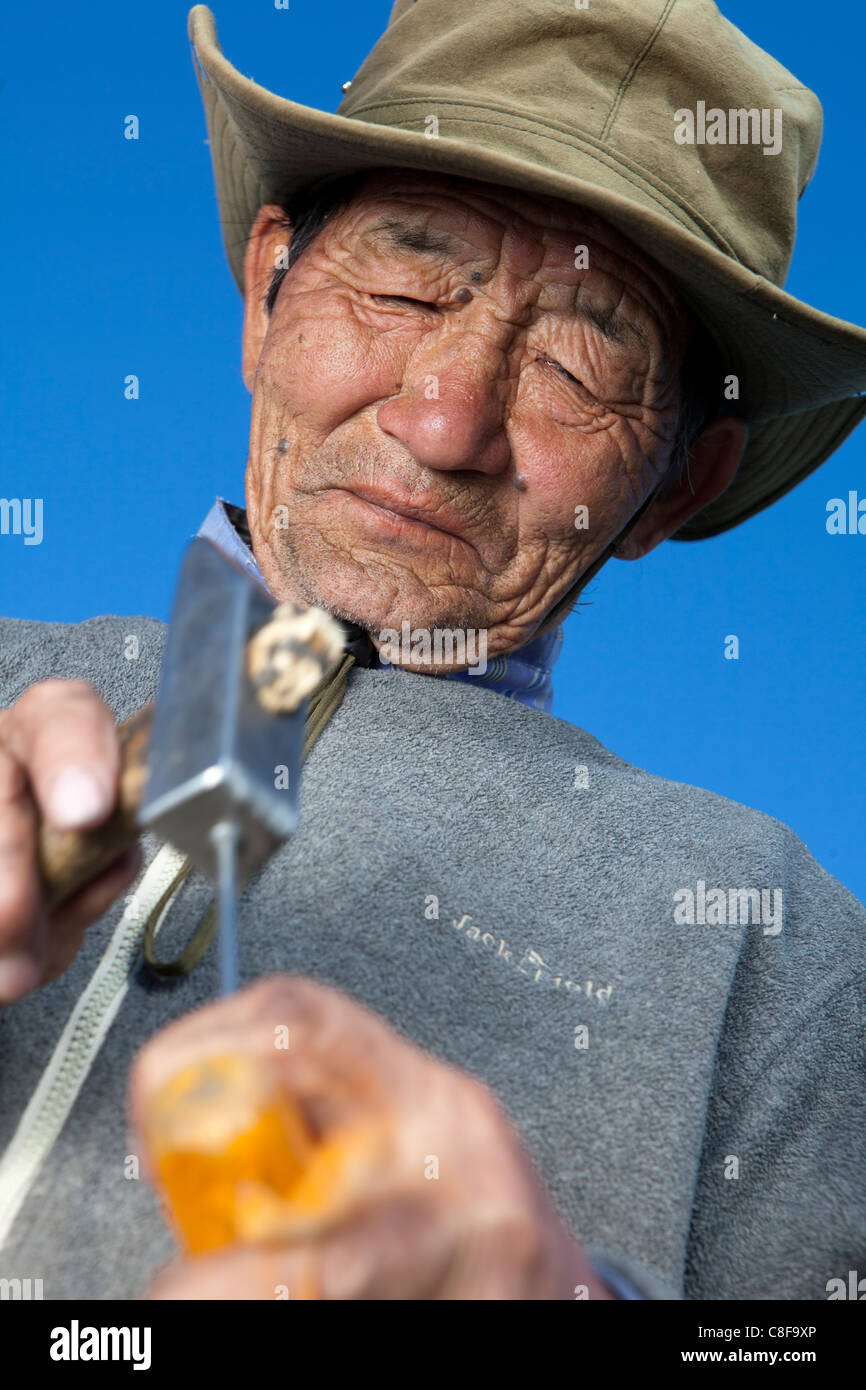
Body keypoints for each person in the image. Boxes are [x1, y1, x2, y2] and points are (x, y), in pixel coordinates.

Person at [1, 0, 864, 1300]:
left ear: (680, 482)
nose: (446, 417)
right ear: (266, 292)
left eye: (578, 360)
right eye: (405, 283)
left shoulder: (780, 941)